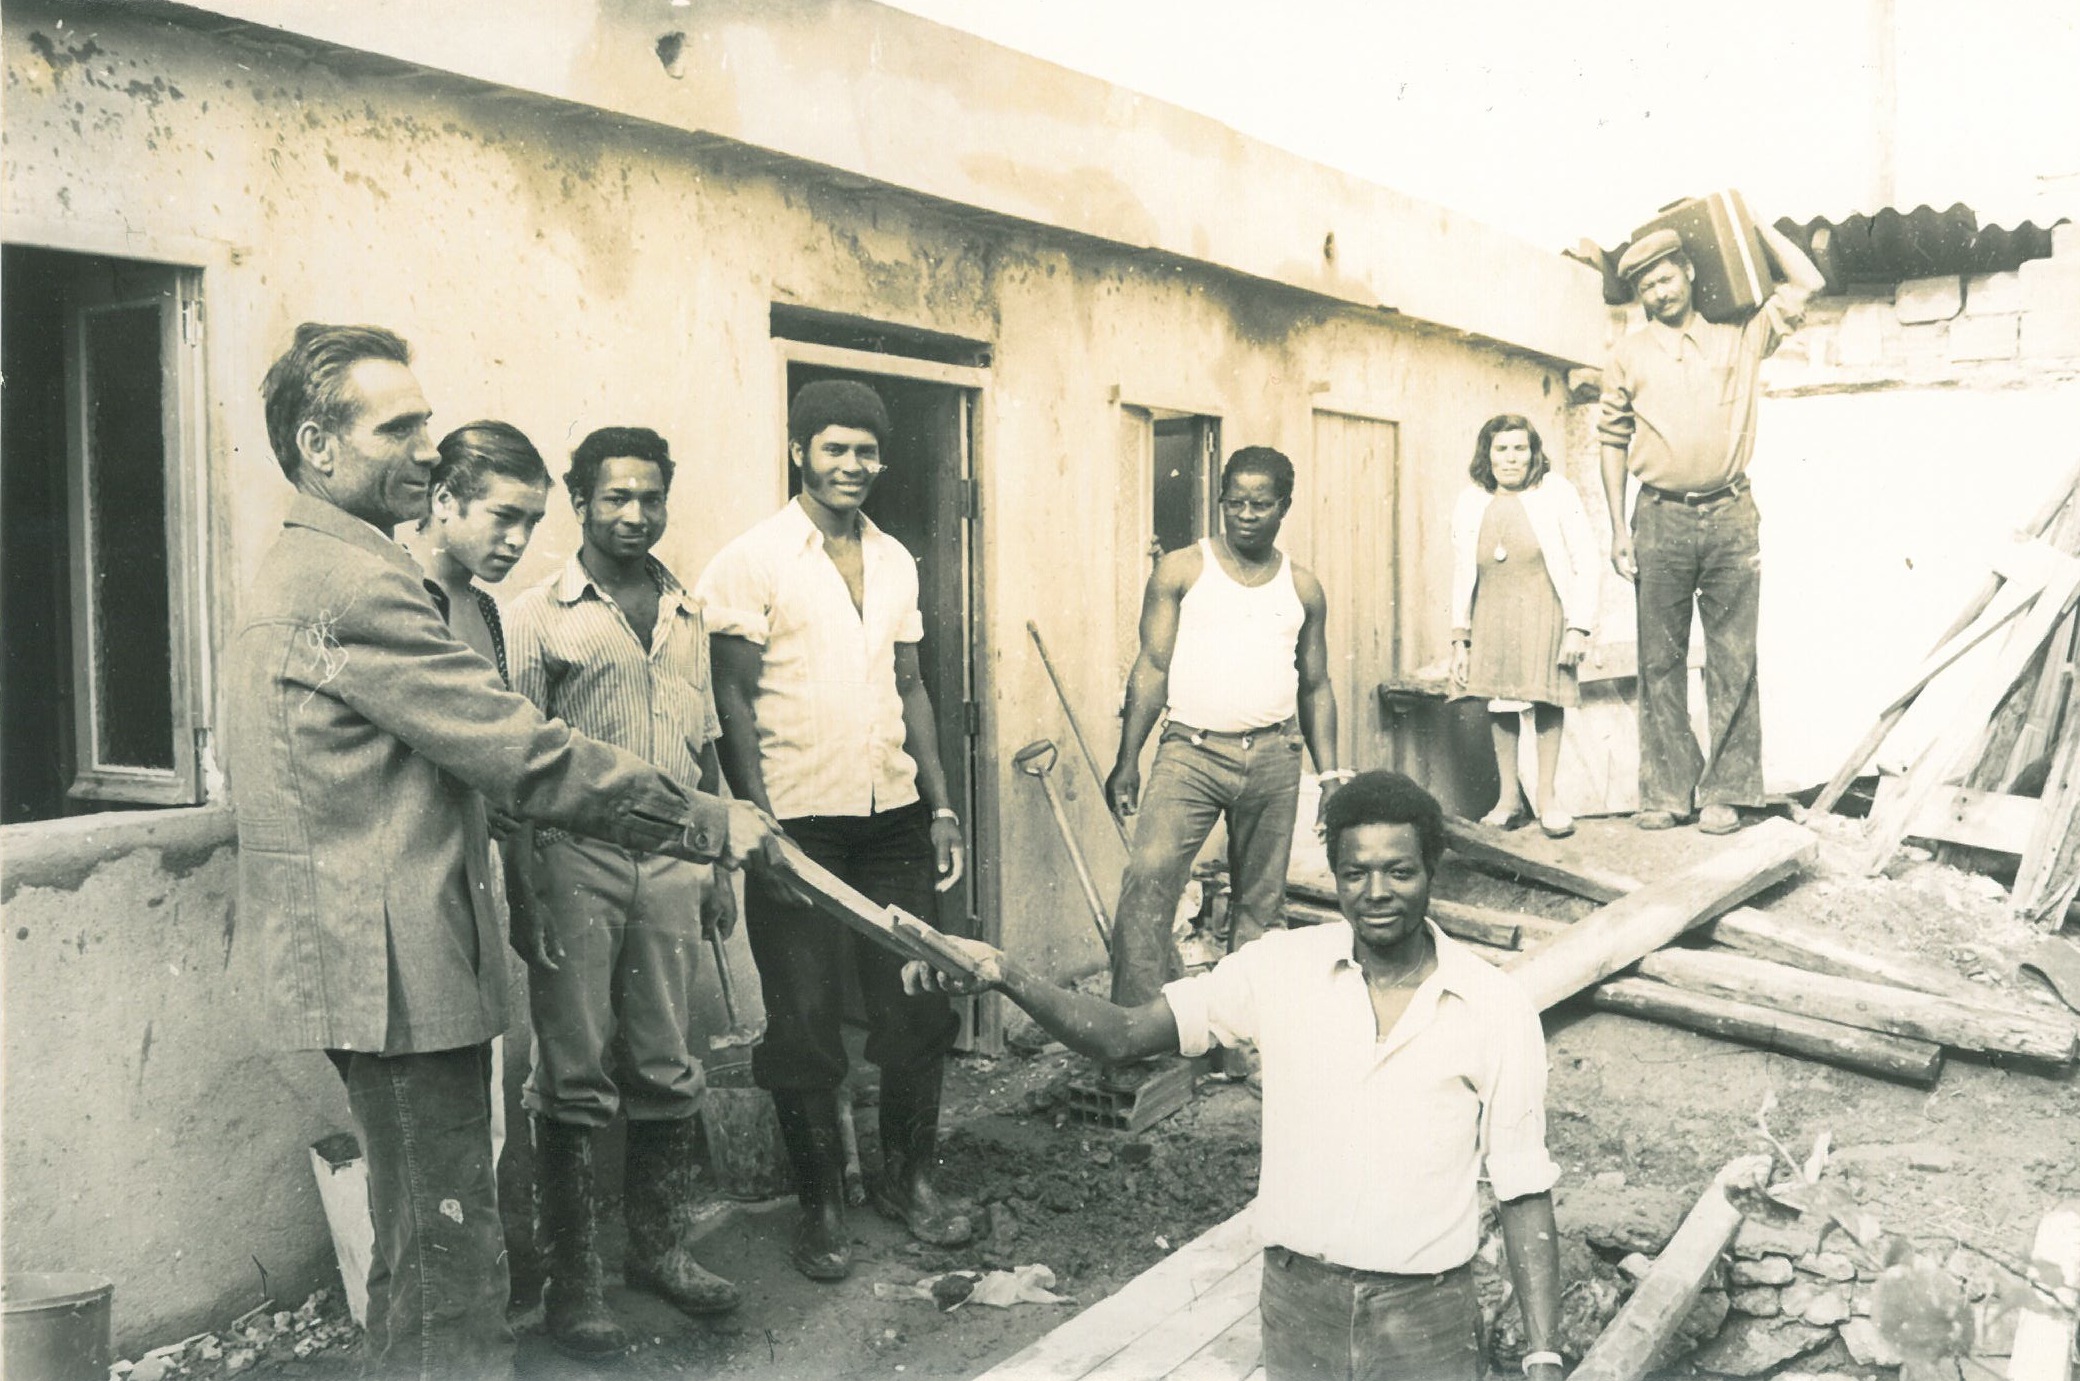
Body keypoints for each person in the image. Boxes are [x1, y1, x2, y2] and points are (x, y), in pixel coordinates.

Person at [231, 323, 785, 1381]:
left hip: (372, 952)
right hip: (387, 962)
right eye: (400, 426)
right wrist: (704, 818)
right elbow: (523, 756)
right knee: (450, 1260)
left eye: (428, 422)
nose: (428, 448)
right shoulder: (359, 583)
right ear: (317, 443)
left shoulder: (319, 562)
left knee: (414, 1253)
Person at [902, 771, 1565, 1381]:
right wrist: (1005, 971)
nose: (1378, 893)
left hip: (1427, 1320)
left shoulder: (1493, 1005)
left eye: (1400, 871)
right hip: (1300, 1308)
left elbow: (1522, 1187)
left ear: (1432, 871)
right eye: (1356, 872)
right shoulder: (1278, 969)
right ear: (1334, 875)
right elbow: (1123, 1034)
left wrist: (1541, 1353)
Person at [696, 379, 972, 1282]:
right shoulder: (752, 559)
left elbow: (915, 687)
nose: (851, 466)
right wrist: (758, 825)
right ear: (800, 450)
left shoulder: (896, 559)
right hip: (799, 829)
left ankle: (909, 1181)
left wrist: (937, 803)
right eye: (834, 449)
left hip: (892, 819)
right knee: (806, 1021)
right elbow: (730, 697)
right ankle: (820, 1207)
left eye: (866, 452)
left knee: (917, 1002)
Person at [504, 426, 744, 1354]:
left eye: (650, 497)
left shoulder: (689, 609)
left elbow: (705, 745)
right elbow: (520, 767)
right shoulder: (536, 617)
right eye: (616, 498)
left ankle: (661, 1248)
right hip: (576, 859)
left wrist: (718, 862)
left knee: (666, 1058)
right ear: (580, 502)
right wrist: (528, 894)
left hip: (675, 863)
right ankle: (575, 1280)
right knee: (572, 1067)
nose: (635, 515)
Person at [1105, 446, 1343, 1034]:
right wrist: (1127, 759)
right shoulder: (1183, 570)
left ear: (1284, 507)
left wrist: (1332, 775)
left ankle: (1239, 1033)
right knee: (1148, 883)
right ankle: (1137, 1032)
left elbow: (1315, 685)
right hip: (1190, 752)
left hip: (1274, 756)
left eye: (1260, 504)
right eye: (1233, 502)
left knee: (1260, 904)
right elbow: (1152, 666)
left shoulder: (1303, 588)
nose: (1244, 514)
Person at [1599, 220, 1825, 834]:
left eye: (1666, 277)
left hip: (1730, 514)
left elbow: (1807, 280)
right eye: (1647, 286)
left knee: (1733, 657)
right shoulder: (1626, 354)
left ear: (1690, 272)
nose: (1660, 292)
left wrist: (1751, 224)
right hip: (1659, 518)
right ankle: (1669, 792)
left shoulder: (1741, 336)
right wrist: (1619, 529)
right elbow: (1612, 439)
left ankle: (1727, 793)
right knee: (1660, 661)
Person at [399, 419, 555, 1308]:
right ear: (443, 499)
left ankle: (490, 1300)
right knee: (436, 1130)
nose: (517, 541)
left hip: (478, 878)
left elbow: (503, 768)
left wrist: (524, 891)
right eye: (502, 517)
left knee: (487, 1100)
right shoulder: (400, 596)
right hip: (416, 881)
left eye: (531, 523)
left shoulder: (486, 609)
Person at [1449, 415, 1602, 839]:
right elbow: (1461, 572)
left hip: (1546, 609)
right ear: (1488, 453)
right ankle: (1508, 800)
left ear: (1533, 452)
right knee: (1500, 701)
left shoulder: (1555, 492)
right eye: (1502, 449)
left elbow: (1586, 559)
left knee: (1545, 698)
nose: (1511, 458)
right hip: (1492, 612)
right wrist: (1460, 638)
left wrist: (1579, 627)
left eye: (1520, 448)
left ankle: (1549, 798)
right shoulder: (1470, 500)